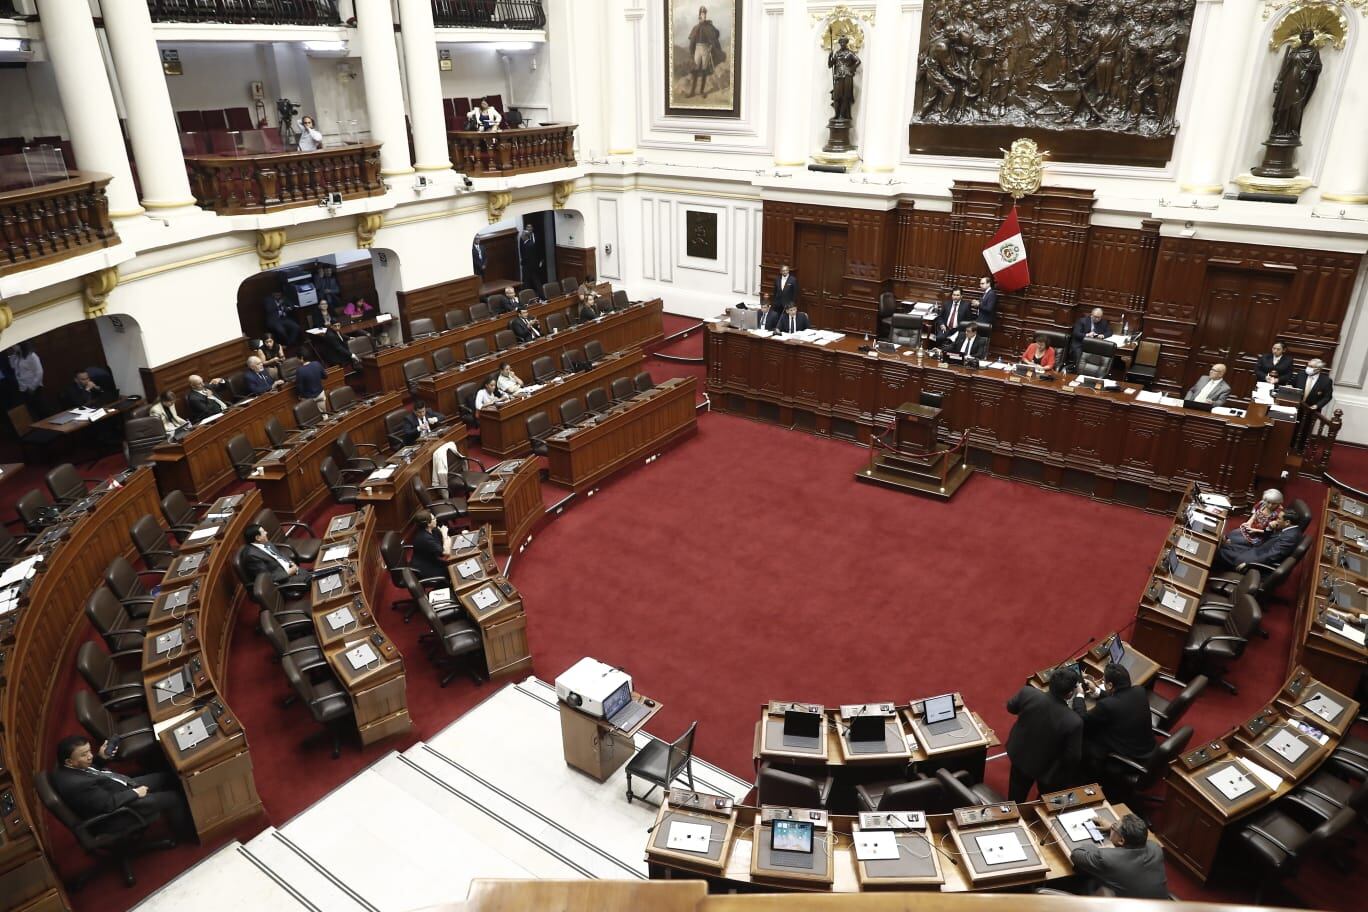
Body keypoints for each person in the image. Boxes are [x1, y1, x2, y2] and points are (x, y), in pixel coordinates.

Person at [50, 736, 195, 842]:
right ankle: (186, 835)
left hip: (118, 787)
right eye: (84, 755)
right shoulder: (77, 785)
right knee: (174, 798)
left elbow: (92, 773)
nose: (90, 756)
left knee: (167, 776)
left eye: (89, 751)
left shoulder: (69, 766)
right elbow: (108, 804)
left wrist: (101, 757)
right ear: (69, 761)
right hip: (121, 810)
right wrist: (135, 793)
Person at [1005, 665, 1084, 802]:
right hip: (1049, 770)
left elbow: (1011, 707)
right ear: (1070, 694)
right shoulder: (1074, 721)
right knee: (1045, 802)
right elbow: (1073, 757)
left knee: (1015, 799)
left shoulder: (1027, 693)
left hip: (1021, 755)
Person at [1072, 663, 1154, 776]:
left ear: (1110, 685)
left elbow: (1081, 719)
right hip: (1146, 748)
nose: (1103, 683)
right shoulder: (1139, 690)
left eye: (1104, 681)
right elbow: (1120, 701)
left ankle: (1084, 774)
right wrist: (1097, 691)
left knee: (1081, 735)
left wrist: (1079, 695)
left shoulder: (1106, 706)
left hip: (1130, 757)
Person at [1069, 814, 1169, 899]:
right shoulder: (1155, 848)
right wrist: (1113, 828)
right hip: (1160, 906)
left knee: (1086, 882)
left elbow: (1076, 854)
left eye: (1115, 825)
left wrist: (1095, 847)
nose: (1112, 826)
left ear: (1121, 841)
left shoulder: (1107, 858)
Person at [1215, 517, 1301, 573]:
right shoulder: (1289, 529)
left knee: (1220, 552)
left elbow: (1272, 555)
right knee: (1225, 546)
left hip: (1254, 559)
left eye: (1279, 519)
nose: (1276, 520)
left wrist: (1248, 563)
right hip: (1256, 549)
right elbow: (1269, 538)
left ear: (1287, 522)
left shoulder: (1290, 537)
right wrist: (1269, 528)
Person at [240, 524, 311, 592]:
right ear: (258, 538)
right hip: (283, 580)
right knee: (311, 580)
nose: (266, 532)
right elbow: (266, 577)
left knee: (313, 575)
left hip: (290, 569)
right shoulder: (251, 556)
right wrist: (288, 573)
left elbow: (280, 554)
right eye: (263, 532)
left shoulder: (265, 542)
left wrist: (291, 563)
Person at [1290, 357, 1334, 449]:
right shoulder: (1301, 374)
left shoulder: (1326, 381)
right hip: (1296, 406)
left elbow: (1327, 396)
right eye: (1308, 365)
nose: (1308, 368)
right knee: (1292, 428)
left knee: (1305, 430)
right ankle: (1289, 445)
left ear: (1318, 369)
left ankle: (1300, 449)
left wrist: (1317, 405)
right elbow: (1292, 384)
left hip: (1310, 410)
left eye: (1311, 366)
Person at [687, 6, 724, 98]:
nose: (703, 15)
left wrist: (711, 44)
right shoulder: (696, 27)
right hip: (697, 49)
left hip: (706, 49)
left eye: (704, 14)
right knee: (695, 70)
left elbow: (717, 33)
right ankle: (692, 92)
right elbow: (692, 39)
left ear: (705, 15)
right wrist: (691, 50)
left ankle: (701, 91)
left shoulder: (709, 26)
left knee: (704, 70)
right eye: (701, 14)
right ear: (699, 15)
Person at [410, 511, 451, 585]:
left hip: (431, 559)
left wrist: (444, 537)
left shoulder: (433, 530)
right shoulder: (425, 538)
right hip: (425, 568)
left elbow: (442, 546)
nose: (436, 519)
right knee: (452, 571)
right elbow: (446, 552)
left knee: (452, 564)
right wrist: (445, 535)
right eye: (434, 518)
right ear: (428, 524)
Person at [9, 341, 43, 410]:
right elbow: (12, 366)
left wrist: (32, 387)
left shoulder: (31, 355)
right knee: (32, 409)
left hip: (33, 386)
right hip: (23, 388)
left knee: (41, 408)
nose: (13, 347)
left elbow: (39, 372)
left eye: (15, 345)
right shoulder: (17, 357)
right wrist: (13, 355)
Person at [519, 224, 540, 290]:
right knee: (534, 280)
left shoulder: (528, 245)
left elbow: (527, 256)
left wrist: (523, 262)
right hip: (531, 265)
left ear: (525, 236)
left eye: (522, 235)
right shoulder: (530, 244)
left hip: (528, 266)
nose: (521, 236)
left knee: (527, 281)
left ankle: (528, 294)